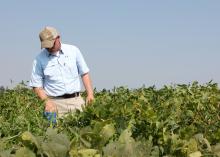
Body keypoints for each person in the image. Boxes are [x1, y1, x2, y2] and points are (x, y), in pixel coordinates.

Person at [29, 26, 94, 118]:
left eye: (51, 44)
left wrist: (90, 94)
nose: (49, 48)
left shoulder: (73, 50)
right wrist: (47, 102)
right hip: (54, 104)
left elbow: (84, 73)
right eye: (46, 46)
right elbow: (37, 86)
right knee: (55, 131)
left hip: (76, 101)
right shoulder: (39, 59)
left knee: (82, 128)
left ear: (58, 38)